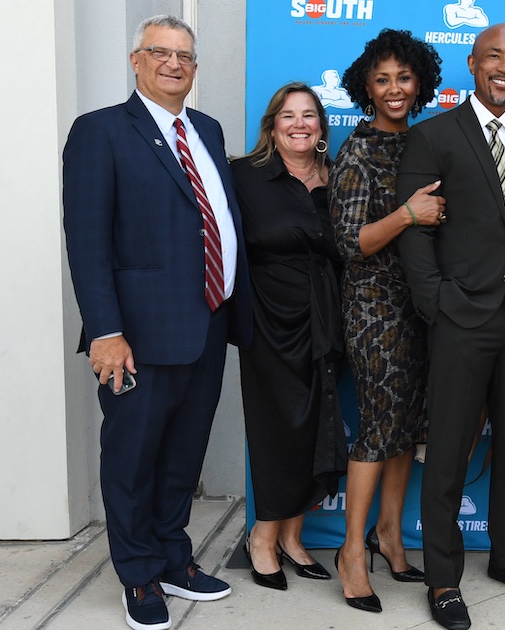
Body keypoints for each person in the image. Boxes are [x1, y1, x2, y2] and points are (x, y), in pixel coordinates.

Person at [62, 14, 251, 630]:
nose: (175, 63)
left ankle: (174, 557)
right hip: (136, 337)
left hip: (206, 324)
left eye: (186, 56)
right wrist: (106, 331)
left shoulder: (207, 129)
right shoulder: (100, 132)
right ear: (136, 61)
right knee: (133, 458)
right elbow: (88, 243)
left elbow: (212, 219)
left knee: (181, 458)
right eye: (160, 52)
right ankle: (139, 574)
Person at [395, 23, 505, 630]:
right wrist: (435, 302)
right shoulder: (432, 137)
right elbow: (416, 232)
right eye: (494, 56)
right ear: (472, 63)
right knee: (447, 453)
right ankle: (444, 578)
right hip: (459, 320)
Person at [329, 29, 444, 613]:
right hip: (375, 310)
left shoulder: (426, 143)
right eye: (382, 80)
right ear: (365, 89)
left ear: (419, 82)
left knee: (408, 427)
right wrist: (407, 213)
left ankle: (391, 535)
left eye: (403, 78)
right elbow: (350, 243)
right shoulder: (358, 151)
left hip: (426, 308)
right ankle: (352, 552)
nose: (394, 89)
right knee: (379, 425)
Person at [230, 83, 347, 592]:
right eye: (288, 115)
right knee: (279, 429)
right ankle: (263, 536)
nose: (299, 124)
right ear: (272, 124)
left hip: (328, 319)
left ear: (321, 126)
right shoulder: (243, 175)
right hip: (270, 321)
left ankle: (294, 537)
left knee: (317, 423)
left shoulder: (337, 178)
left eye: (309, 115)